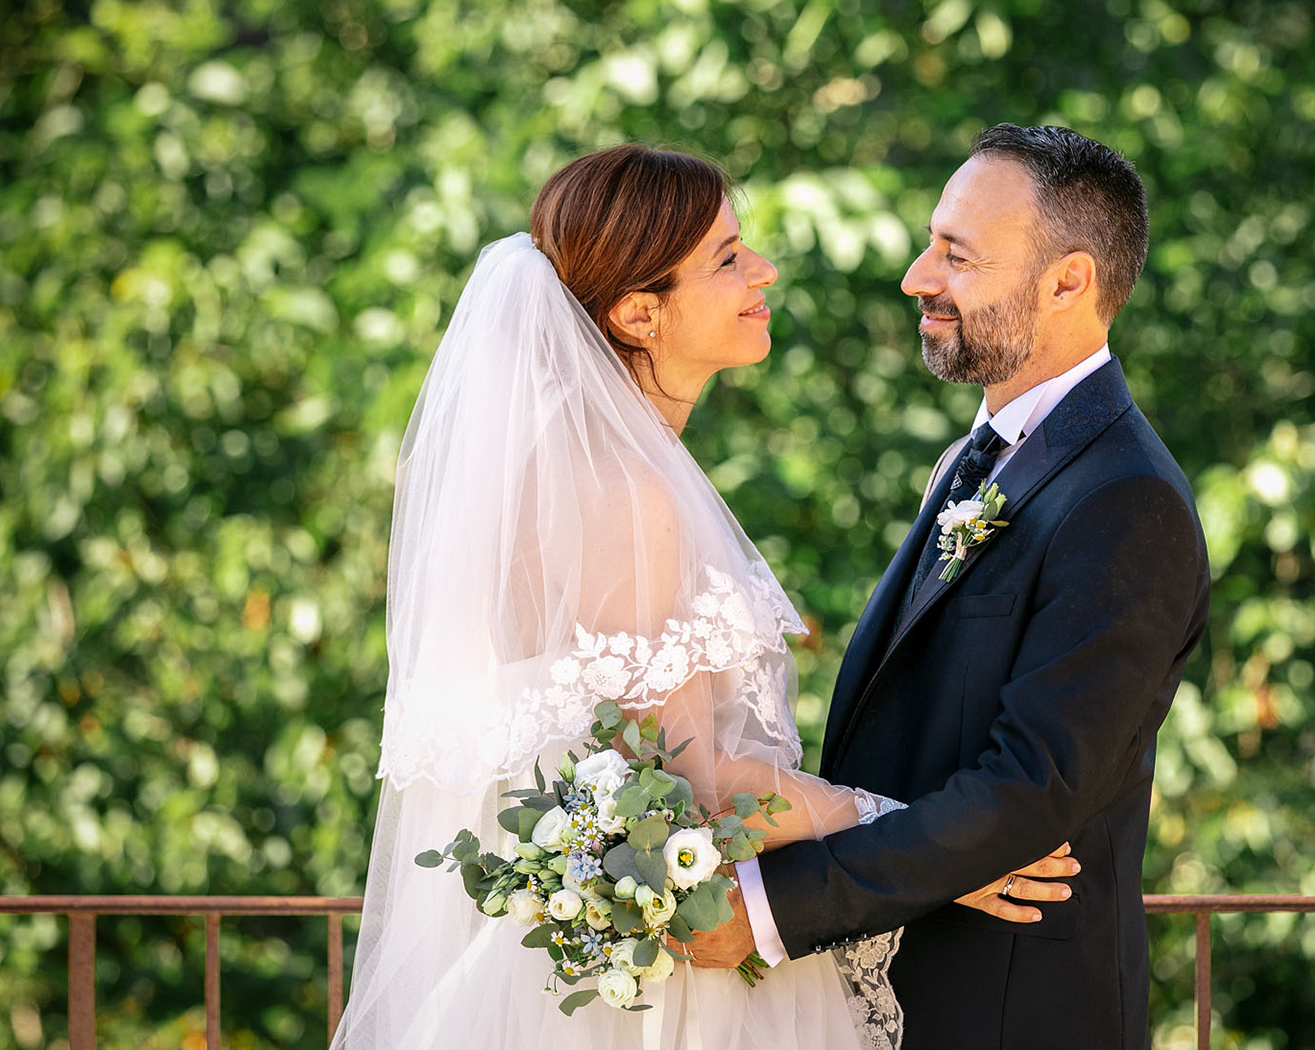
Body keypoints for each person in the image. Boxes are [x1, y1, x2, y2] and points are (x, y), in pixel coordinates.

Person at [330, 145, 1065, 1050]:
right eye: (726, 259)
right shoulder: (622, 492)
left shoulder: (572, 468)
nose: (764, 270)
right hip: (657, 994)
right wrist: (924, 844)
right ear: (640, 313)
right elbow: (697, 781)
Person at [692, 125, 1212, 1050]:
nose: (916, 278)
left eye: (957, 257)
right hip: (896, 991)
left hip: (1008, 1011)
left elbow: (1031, 788)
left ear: (1068, 282)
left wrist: (770, 908)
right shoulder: (974, 460)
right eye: (932, 243)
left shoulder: (1126, 499)